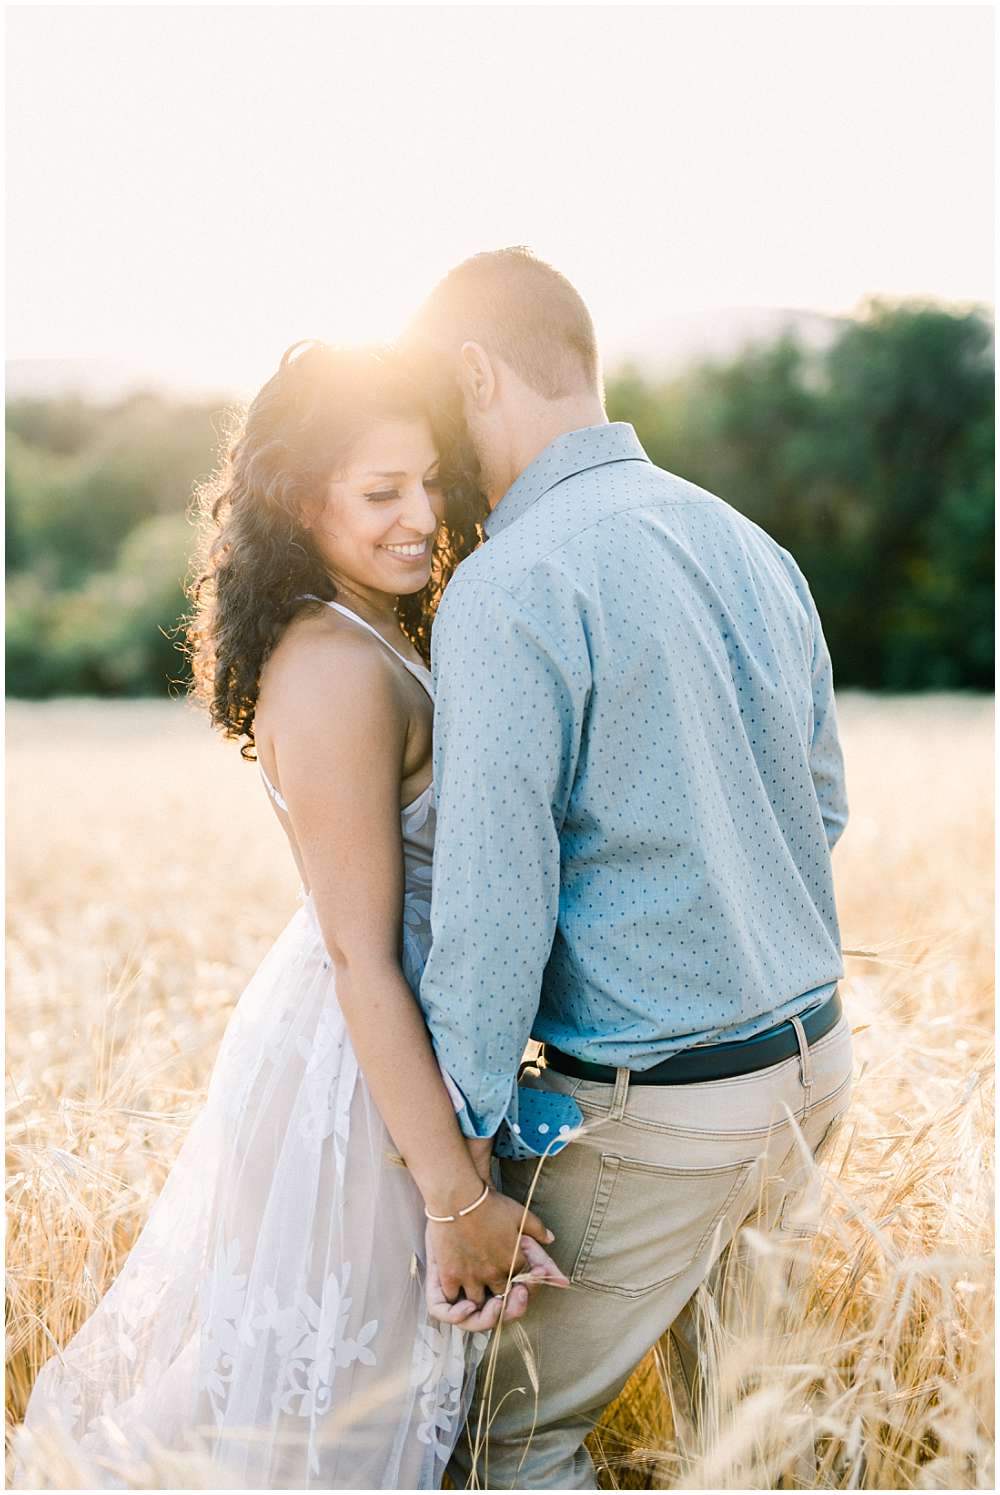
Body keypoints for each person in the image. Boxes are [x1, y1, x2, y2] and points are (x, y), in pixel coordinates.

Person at [13, 342, 567, 1491]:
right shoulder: (331, 668)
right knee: (326, 1422)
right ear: (296, 499)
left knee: (324, 1407)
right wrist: (455, 1198)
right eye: (381, 493)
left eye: (427, 482)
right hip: (360, 1078)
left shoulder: (365, 637)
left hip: (387, 1058)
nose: (421, 516)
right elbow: (362, 954)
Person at [404, 248, 854, 1490]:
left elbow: (493, 909)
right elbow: (820, 808)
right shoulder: (749, 542)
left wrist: (462, 1170)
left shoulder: (510, 586)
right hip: (813, 1072)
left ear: (474, 372)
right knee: (752, 1438)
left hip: (657, 1106)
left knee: (508, 1439)